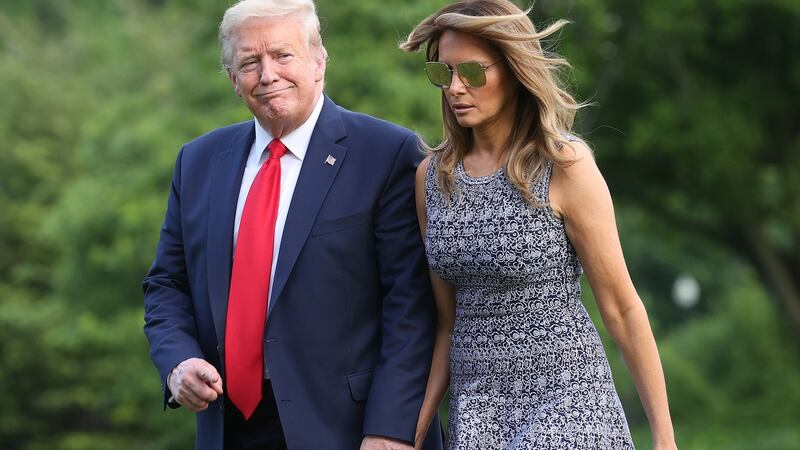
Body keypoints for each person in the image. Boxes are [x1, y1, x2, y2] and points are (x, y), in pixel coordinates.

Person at [143, 1, 444, 449]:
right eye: (249, 62)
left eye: (283, 55)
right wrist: (178, 363)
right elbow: (167, 284)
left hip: (350, 429)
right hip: (227, 427)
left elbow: (411, 306)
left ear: (319, 62)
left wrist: (390, 429)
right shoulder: (198, 162)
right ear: (233, 80)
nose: (267, 75)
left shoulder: (387, 153)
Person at [400, 1, 678, 449]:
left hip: (567, 402)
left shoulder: (563, 164)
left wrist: (664, 439)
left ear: (512, 70)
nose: (455, 88)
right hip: (477, 413)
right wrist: (409, 434)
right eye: (443, 73)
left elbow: (622, 308)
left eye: (471, 71)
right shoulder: (432, 179)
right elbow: (446, 326)